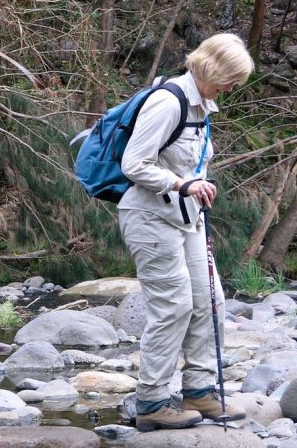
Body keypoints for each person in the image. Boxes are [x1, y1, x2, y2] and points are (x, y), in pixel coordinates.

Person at [118, 33, 254, 432]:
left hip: (187, 218)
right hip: (149, 218)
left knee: (210, 301)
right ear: (214, 68)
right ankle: (152, 401)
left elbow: (194, 163)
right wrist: (182, 185)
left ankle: (198, 391)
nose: (232, 89)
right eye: (231, 80)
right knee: (174, 306)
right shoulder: (168, 101)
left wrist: (195, 200)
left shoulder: (202, 105)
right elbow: (134, 163)